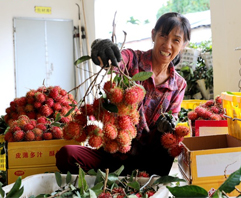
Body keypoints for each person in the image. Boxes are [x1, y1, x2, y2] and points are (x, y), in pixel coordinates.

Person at [56, 12, 191, 176]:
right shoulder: (133, 59)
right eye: (163, 35)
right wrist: (102, 49)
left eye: (176, 40)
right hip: (114, 154)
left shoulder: (178, 84)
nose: (167, 45)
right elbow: (116, 61)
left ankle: (143, 181)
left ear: (183, 44)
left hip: (148, 162)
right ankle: (118, 177)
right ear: (153, 35)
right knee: (67, 156)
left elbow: (173, 118)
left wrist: (169, 123)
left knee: (168, 147)